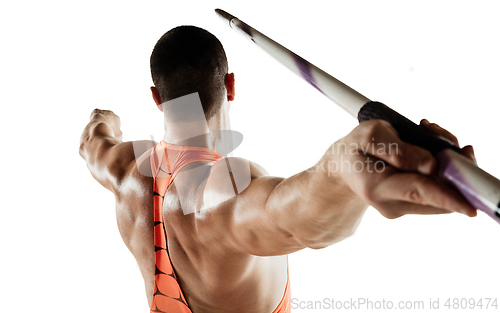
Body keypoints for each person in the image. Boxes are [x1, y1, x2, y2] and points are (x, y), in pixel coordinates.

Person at [79, 26, 477, 313]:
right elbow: (285, 216)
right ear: (230, 85)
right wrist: (343, 170)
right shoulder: (218, 192)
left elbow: (92, 140)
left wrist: (105, 118)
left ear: (156, 98)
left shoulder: (120, 167)